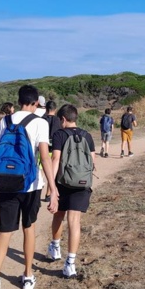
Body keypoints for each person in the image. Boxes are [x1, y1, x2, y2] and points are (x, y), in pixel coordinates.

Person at [0, 85, 58, 289]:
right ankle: (27, 276)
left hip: (7, 183)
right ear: (35, 103)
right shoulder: (40, 123)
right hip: (31, 185)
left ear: (19, 100)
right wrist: (52, 188)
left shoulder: (5, 121)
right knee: (28, 228)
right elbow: (44, 157)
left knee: (4, 231)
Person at [47, 104, 96, 278]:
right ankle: (70, 263)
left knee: (59, 215)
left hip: (63, 182)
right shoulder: (87, 135)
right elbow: (92, 160)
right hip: (82, 183)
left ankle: (55, 247)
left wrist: (51, 187)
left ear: (63, 119)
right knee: (74, 221)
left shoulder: (59, 134)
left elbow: (56, 159)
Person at [42, 100, 62, 203]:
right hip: (54, 149)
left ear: (46, 108)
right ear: (55, 109)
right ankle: (48, 193)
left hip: (42, 149)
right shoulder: (58, 120)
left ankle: (38, 191)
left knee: (39, 172)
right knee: (51, 172)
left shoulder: (41, 119)